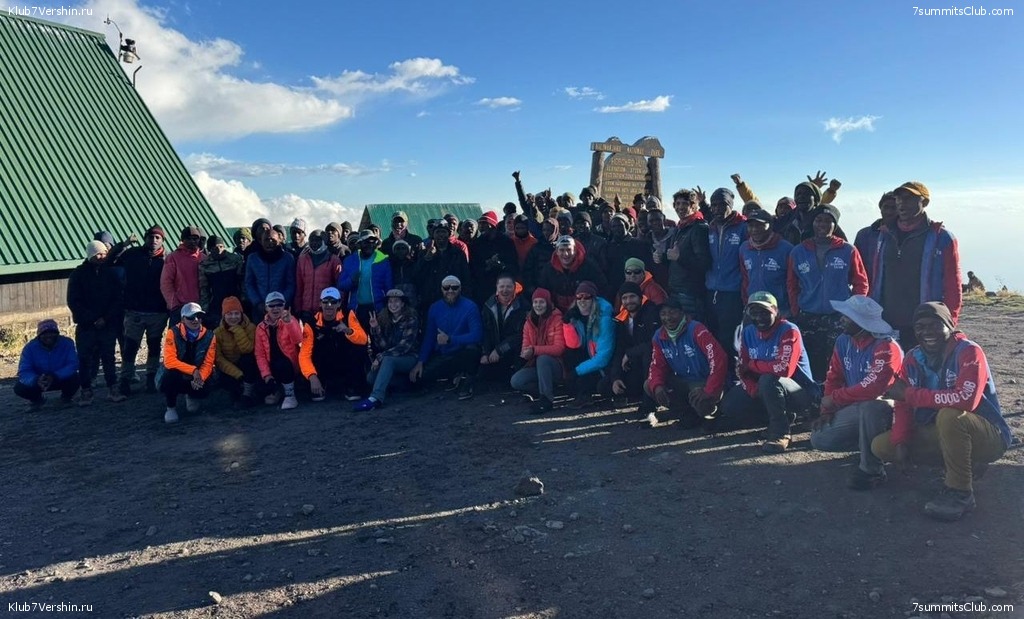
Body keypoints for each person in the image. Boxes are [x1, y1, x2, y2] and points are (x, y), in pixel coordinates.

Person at [871, 302, 1013, 520]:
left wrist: (910, 394)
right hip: (943, 430)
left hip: (989, 435)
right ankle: (961, 465)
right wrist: (901, 441)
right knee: (881, 446)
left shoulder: (969, 352)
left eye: (934, 325)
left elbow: (965, 400)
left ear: (950, 325)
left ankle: (960, 493)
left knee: (950, 415)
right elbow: (902, 403)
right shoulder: (913, 358)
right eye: (920, 327)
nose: (927, 332)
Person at [808, 295, 903, 489]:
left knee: (872, 406)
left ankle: (872, 470)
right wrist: (827, 411)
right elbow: (834, 377)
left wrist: (835, 399)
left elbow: (874, 388)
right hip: (855, 406)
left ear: (862, 322)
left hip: (889, 409)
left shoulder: (886, 346)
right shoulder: (843, 341)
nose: (841, 319)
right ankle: (867, 445)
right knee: (820, 439)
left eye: (847, 317)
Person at [710, 292, 819, 453]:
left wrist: (753, 365)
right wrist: (752, 388)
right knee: (730, 406)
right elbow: (741, 368)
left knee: (769, 380)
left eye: (765, 312)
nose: (759, 318)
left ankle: (780, 433)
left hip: (798, 391)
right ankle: (781, 417)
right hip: (764, 388)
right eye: (754, 313)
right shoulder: (748, 332)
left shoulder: (789, 330)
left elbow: (784, 369)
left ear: (775, 311)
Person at [870, 182, 962, 351]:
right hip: (886, 324)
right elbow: (877, 279)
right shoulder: (884, 235)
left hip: (924, 325)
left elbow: (953, 285)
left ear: (924, 202)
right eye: (899, 198)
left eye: (909, 198)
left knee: (920, 367)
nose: (902, 203)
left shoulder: (942, 238)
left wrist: (950, 322)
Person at [787, 204, 869, 381]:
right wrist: (796, 310)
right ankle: (813, 395)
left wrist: (852, 312)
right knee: (809, 361)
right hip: (808, 315)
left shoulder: (848, 250)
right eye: (818, 220)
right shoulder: (798, 251)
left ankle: (835, 394)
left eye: (828, 221)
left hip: (838, 316)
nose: (822, 224)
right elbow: (792, 285)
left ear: (835, 225)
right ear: (812, 223)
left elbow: (861, 283)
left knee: (837, 361)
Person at [642, 298, 728, 426]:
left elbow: (719, 358)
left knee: (702, 404)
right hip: (682, 381)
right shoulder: (659, 336)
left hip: (704, 380)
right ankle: (686, 413)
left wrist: (710, 389)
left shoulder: (697, 330)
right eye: (663, 314)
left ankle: (713, 412)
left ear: (682, 313)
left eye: (672, 312)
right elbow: (656, 366)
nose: (668, 318)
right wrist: (657, 386)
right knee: (649, 385)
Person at [67, 240, 124, 405]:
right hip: (86, 325)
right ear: (90, 254)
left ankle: (113, 388)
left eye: (104, 253)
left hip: (107, 323)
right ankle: (86, 391)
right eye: (98, 254)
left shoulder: (110, 274)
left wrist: (106, 318)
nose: (102, 257)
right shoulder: (78, 274)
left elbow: (118, 298)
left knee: (109, 357)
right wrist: (92, 319)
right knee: (85, 359)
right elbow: (74, 301)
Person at [112, 224, 167, 396]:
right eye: (151, 237)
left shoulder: (167, 260)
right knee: (130, 346)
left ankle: (151, 377)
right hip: (134, 310)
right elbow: (110, 260)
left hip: (158, 311)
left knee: (154, 346)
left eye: (157, 237)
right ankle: (125, 378)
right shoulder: (132, 255)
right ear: (145, 238)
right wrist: (124, 244)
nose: (154, 240)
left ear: (163, 240)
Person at [410, 275, 482, 401]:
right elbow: (429, 337)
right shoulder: (434, 308)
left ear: (460, 288)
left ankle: (468, 381)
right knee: (419, 378)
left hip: (463, 352)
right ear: (441, 289)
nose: (450, 290)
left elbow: (477, 335)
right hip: (445, 354)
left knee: (473, 349)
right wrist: (421, 361)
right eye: (446, 287)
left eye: (454, 287)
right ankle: (454, 375)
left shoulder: (470, 306)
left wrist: (450, 339)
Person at [299, 287, 369, 403]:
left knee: (357, 348)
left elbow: (363, 340)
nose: (329, 305)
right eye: (325, 302)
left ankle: (352, 384)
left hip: (345, 362)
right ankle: (321, 382)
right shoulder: (311, 323)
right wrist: (312, 376)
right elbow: (304, 354)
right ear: (320, 303)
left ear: (339, 303)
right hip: (323, 364)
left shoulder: (348, 315)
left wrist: (348, 331)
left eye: (333, 302)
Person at [356, 288, 421, 411]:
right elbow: (383, 345)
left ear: (403, 303)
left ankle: (375, 398)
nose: (393, 305)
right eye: (390, 302)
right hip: (390, 357)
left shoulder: (411, 319)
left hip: (410, 357)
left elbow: (404, 347)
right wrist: (376, 328)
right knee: (371, 378)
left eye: (396, 301)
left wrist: (380, 357)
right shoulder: (385, 319)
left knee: (388, 360)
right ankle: (404, 384)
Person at [705, 188, 748, 369]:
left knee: (730, 338)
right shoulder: (710, 227)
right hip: (711, 289)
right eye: (714, 205)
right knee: (713, 334)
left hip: (733, 291)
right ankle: (717, 372)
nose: (717, 209)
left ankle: (733, 375)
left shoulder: (743, 226)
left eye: (722, 205)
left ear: (731, 204)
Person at [158, 302, 216, 424]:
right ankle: (171, 407)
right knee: (170, 376)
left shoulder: (210, 336)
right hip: (178, 372)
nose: (195, 320)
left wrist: (200, 378)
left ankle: (191, 396)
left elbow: (208, 362)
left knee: (206, 388)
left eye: (199, 316)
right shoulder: (172, 333)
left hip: (197, 374)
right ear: (183, 319)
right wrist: (193, 370)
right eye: (190, 317)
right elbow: (169, 361)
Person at [511, 288, 566, 414]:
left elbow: (559, 348)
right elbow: (525, 347)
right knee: (516, 381)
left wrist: (535, 350)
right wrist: (526, 353)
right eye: (535, 302)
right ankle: (548, 389)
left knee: (543, 358)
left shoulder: (557, 319)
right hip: (536, 365)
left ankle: (546, 399)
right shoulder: (528, 322)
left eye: (542, 302)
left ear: (548, 303)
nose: (538, 305)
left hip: (557, 365)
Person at [562, 281, 615, 407]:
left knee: (581, 379)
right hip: (590, 357)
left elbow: (603, 358)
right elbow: (573, 344)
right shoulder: (576, 315)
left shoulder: (604, 320)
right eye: (579, 297)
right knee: (570, 354)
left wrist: (577, 371)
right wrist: (567, 324)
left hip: (605, 365)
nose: (582, 300)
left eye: (587, 297)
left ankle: (585, 396)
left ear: (594, 299)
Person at [607, 282, 661, 405]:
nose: (628, 301)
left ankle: (649, 402)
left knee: (648, 353)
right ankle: (634, 394)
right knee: (604, 385)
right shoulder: (622, 319)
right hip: (633, 367)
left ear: (640, 297)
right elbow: (619, 348)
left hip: (652, 365)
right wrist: (616, 377)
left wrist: (630, 353)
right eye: (624, 298)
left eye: (632, 296)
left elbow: (654, 344)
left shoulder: (651, 312)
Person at [667, 188, 711, 321]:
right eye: (677, 203)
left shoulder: (699, 227)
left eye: (685, 203)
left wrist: (679, 258)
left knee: (691, 328)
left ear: (693, 206)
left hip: (690, 293)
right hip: (677, 290)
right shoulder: (680, 227)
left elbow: (704, 263)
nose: (680, 207)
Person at [15, 319, 80, 409]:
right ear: (39, 335)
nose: (49, 336)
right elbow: (24, 370)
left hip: (59, 378)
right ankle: (37, 400)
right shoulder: (29, 348)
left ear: (58, 333)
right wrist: (36, 379)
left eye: (52, 332)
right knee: (19, 387)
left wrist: (55, 376)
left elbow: (73, 364)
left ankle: (66, 398)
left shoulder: (67, 343)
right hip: (39, 381)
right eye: (44, 333)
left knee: (76, 377)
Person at [254, 291, 303, 410]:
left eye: (279, 304)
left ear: (284, 306)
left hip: (289, 364)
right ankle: (278, 390)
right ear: (266, 308)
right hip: (271, 365)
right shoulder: (260, 327)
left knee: (282, 364)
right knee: (264, 394)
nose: (275, 308)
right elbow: (259, 354)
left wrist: (289, 323)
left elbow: (298, 340)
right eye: (271, 305)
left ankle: (290, 395)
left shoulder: (291, 320)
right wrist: (266, 375)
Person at [739, 209, 793, 316]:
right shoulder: (744, 248)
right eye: (751, 226)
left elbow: (793, 282)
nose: (754, 229)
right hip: (753, 307)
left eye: (760, 225)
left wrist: (793, 308)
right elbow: (745, 279)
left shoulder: (786, 249)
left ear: (770, 225)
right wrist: (746, 302)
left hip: (780, 309)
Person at [414, 220, 472, 313]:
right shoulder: (424, 252)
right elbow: (416, 275)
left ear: (449, 234)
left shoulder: (458, 253)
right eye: (438, 232)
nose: (441, 235)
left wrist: (464, 298)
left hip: (453, 299)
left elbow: (466, 277)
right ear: (433, 235)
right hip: (430, 300)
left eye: (444, 232)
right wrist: (427, 259)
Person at [537, 236, 608, 313]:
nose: (566, 254)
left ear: (575, 251)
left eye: (569, 250)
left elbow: (602, 287)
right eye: (562, 250)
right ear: (557, 252)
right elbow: (542, 291)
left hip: (584, 310)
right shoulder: (549, 269)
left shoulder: (589, 267)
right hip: (557, 311)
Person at [339, 230, 393, 329]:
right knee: (357, 338)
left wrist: (387, 308)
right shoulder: (350, 260)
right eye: (365, 242)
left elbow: (389, 287)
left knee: (376, 337)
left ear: (376, 244)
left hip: (378, 308)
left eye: (372, 242)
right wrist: (351, 281)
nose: (369, 245)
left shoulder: (383, 260)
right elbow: (341, 285)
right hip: (356, 309)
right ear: (359, 244)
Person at [479, 274, 528, 382]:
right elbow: (485, 331)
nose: (505, 290)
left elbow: (519, 336)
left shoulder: (523, 307)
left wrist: (499, 350)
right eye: (502, 286)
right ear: (497, 288)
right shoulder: (488, 306)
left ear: (514, 288)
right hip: (492, 351)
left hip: (512, 351)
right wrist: (485, 353)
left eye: (508, 287)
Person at [214, 296, 259, 406]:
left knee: (248, 360)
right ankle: (236, 393)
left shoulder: (251, 328)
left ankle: (248, 393)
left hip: (246, 363)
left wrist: (238, 331)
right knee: (225, 379)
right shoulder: (217, 333)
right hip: (230, 366)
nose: (233, 317)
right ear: (224, 316)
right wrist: (237, 373)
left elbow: (248, 349)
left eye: (236, 313)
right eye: (229, 314)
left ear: (241, 314)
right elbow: (218, 359)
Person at [245, 227, 296, 320]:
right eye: (266, 240)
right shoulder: (252, 259)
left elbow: (291, 284)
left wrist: (280, 303)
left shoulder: (288, 258)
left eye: (273, 240)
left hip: (281, 308)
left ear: (279, 241)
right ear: (260, 241)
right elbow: (249, 284)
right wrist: (257, 302)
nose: (270, 242)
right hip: (260, 309)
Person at [469, 211, 518, 305]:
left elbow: (514, 265)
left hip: (503, 287)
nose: (481, 227)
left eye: (484, 224)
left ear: (492, 225)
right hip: (483, 289)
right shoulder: (477, 244)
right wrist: (487, 266)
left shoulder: (506, 242)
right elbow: (473, 267)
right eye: (480, 224)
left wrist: (501, 265)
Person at [294, 230, 343, 323]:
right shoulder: (302, 260)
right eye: (311, 240)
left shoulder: (334, 260)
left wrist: (337, 308)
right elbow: (299, 287)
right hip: (306, 310)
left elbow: (340, 287)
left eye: (318, 240)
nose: (314, 243)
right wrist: (298, 307)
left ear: (324, 241)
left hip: (326, 310)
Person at [160, 226, 203, 326]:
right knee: (177, 335)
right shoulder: (173, 257)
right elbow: (166, 283)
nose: (192, 241)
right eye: (189, 239)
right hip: (180, 308)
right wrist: (174, 304)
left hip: (200, 308)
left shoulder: (204, 258)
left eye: (195, 239)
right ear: (183, 240)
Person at [198, 235, 244, 328]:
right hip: (217, 302)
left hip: (236, 299)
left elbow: (242, 281)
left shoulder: (235, 259)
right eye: (215, 248)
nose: (219, 250)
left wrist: (244, 299)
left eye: (221, 246)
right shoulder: (205, 265)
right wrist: (204, 309)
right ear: (210, 249)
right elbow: (204, 288)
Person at [853, 192, 897, 283]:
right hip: (868, 287)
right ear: (880, 208)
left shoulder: (905, 236)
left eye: (894, 208)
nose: (889, 212)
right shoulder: (863, 235)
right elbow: (855, 266)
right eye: (886, 207)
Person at [604, 213, 651, 295]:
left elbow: (647, 266)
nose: (617, 228)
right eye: (614, 226)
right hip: (614, 288)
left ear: (626, 225)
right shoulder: (608, 246)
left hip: (636, 287)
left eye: (620, 225)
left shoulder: (639, 244)